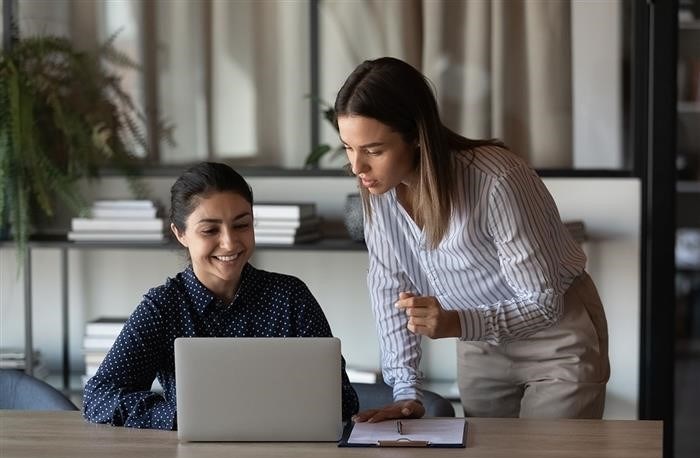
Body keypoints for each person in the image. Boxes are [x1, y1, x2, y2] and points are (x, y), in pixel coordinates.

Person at [335, 57, 609, 423]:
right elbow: (390, 292)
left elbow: (544, 304)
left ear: (416, 135)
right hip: (479, 348)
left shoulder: (496, 179)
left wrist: (455, 324)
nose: (357, 168)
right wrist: (406, 393)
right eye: (348, 148)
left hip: (555, 338)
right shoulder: (379, 194)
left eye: (373, 150)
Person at [83, 162, 359, 429]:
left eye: (241, 225)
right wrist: (181, 415)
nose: (229, 242)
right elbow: (98, 397)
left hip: (285, 450)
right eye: (210, 230)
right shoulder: (163, 307)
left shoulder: (291, 297)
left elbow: (343, 400)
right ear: (180, 234)